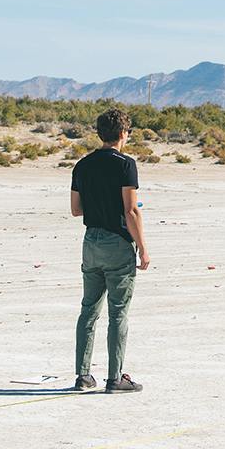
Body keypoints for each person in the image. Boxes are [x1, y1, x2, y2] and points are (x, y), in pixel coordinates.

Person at [67, 108, 149, 393]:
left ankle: (83, 375)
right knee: (118, 313)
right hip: (116, 243)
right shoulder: (126, 165)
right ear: (124, 133)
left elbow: (76, 210)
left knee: (88, 310)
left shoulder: (82, 165)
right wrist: (143, 248)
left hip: (91, 242)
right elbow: (131, 210)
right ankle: (115, 378)